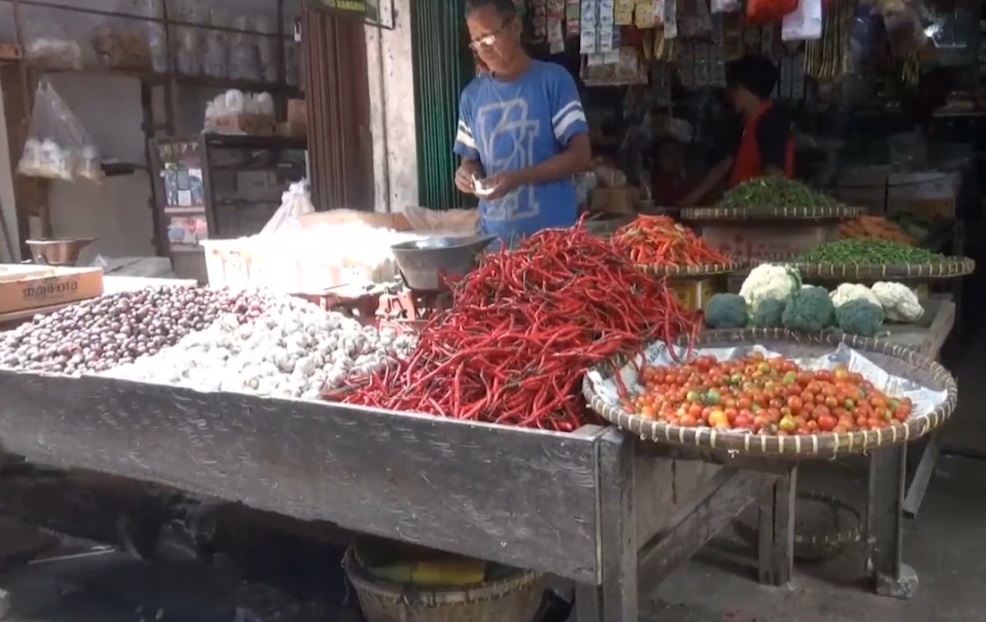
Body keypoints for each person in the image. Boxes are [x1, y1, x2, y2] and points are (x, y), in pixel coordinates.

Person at [453, 0, 593, 246]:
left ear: (515, 26)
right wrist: (467, 175)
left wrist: (518, 178)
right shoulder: (471, 97)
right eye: (476, 41)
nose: (483, 49)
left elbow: (581, 155)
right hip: (496, 246)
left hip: (554, 245)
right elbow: (470, 160)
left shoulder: (553, 81)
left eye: (489, 37)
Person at [680, 54, 795, 207]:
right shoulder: (744, 123)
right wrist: (691, 199)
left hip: (761, 215)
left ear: (742, 88)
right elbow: (725, 164)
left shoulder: (772, 121)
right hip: (741, 212)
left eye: (731, 89)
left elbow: (775, 174)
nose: (729, 96)